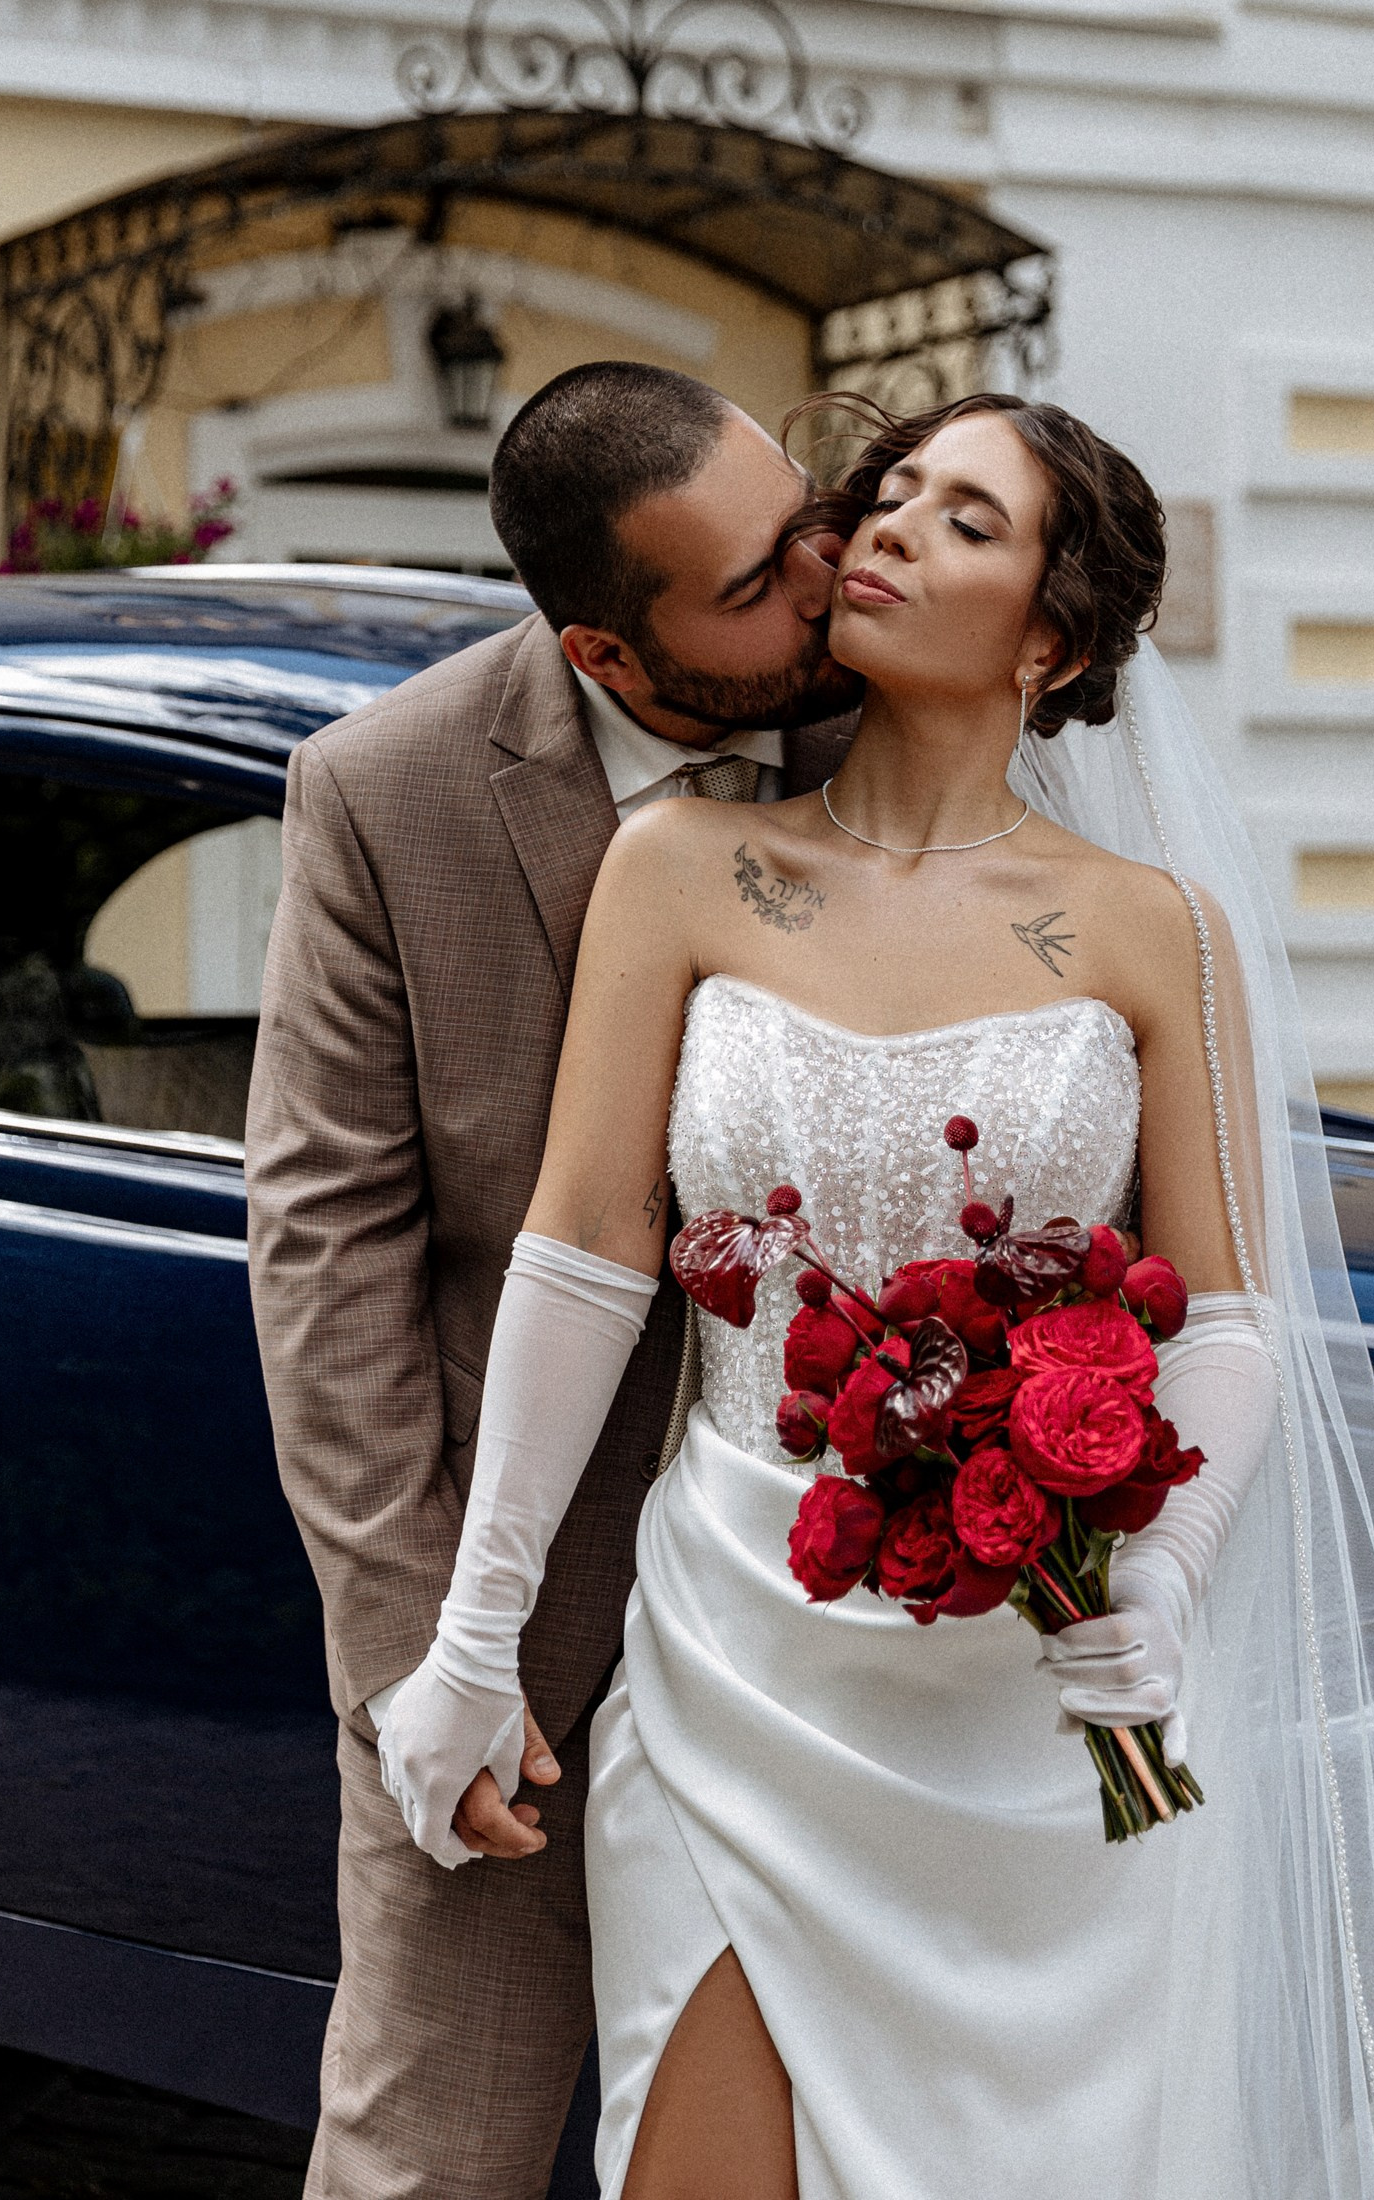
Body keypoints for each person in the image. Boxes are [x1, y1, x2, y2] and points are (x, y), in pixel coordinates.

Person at [379, 390, 1374, 2200]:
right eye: (889, 494)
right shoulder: (683, 868)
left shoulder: (1151, 929)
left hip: (1037, 1706)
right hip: (736, 1657)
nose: (889, 528)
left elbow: (1226, 1320)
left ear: (1052, 641)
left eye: (967, 520)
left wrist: (1162, 1583)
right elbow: (584, 1254)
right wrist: (473, 1638)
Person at [244, 362, 858, 2200]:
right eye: (750, 584)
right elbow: (327, 1248)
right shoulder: (386, 792)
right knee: (430, 2157)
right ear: (604, 648)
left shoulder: (888, 717)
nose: (821, 582)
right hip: (523, 1641)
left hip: (840, 1628)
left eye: (803, 522)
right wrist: (421, 1656)